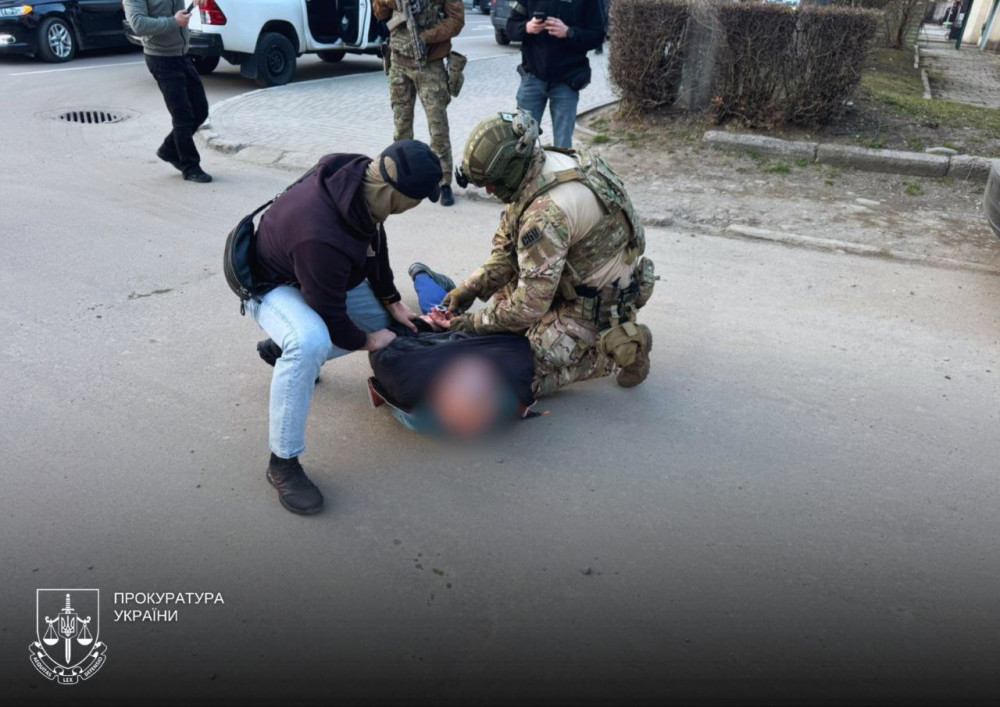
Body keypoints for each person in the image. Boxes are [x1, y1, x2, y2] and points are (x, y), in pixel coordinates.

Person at [247, 140, 442, 515]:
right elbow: (331, 314)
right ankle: (282, 463)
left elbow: (374, 238)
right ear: (396, 195)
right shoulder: (319, 233)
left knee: (388, 324)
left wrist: (392, 300)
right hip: (271, 285)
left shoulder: (362, 178)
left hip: (313, 270)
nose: (417, 206)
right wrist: (367, 341)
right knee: (310, 342)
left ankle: (283, 351)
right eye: (418, 199)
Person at [447, 110, 656, 398]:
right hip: (569, 277)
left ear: (511, 166)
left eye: (492, 183)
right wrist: (471, 288)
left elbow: (529, 305)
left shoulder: (545, 214)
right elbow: (508, 251)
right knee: (502, 327)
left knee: (513, 378)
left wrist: (473, 323)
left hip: (594, 305)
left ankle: (615, 348)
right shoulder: (545, 164)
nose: (490, 191)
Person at [373, 0, 465, 207]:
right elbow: (379, 13)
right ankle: (400, 175)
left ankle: (443, 181)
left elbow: (457, 21)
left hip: (430, 63)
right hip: (399, 61)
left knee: (438, 127)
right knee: (401, 126)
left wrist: (426, 37)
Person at [123, 0, 213, 183]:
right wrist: (174, 22)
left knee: (200, 110)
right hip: (160, 58)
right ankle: (190, 167)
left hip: (182, 54)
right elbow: (138, 24)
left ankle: (169, 149)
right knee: (183, 115)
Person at [506, 0, 605, 149]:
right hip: (532, 77)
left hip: (567, 80)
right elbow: (510, 27)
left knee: (563, 147)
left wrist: (569, 32)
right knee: (521, 144)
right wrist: (527, 27)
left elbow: (598, 35)